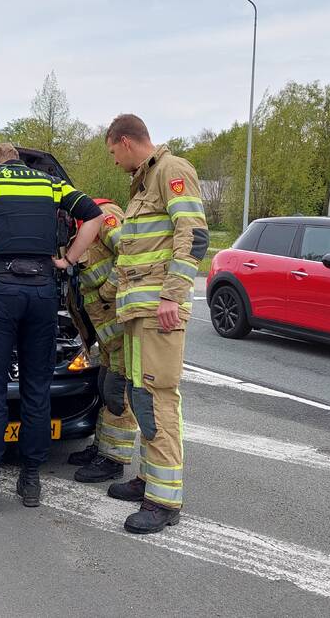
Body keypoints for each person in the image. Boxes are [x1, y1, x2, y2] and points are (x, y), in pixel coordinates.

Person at [0, 143, 104, 514]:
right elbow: (94, 216)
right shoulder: (50, 183)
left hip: (0, 290)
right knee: (37, 389)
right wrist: (68, 259)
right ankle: (30, 482)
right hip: (43, 292)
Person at [105, 114, 208, 534]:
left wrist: (172, 295)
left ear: (126, 142)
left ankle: (164, 502)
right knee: (140, 396)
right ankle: (149, 479)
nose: (114, 161)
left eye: (113, 152)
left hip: (158, 310)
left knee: (158, 399)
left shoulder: (172, 170)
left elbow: (194, 235)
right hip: (138, 314)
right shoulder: (144, 183)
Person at [65, 199, 140, 483]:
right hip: (106, 334)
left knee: (116, 392)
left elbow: (129, 254)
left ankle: (114, 460)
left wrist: (108, 291)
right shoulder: (71, 229)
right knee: (103, 386)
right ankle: (101, 448)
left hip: (121, 325)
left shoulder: (103, 216)